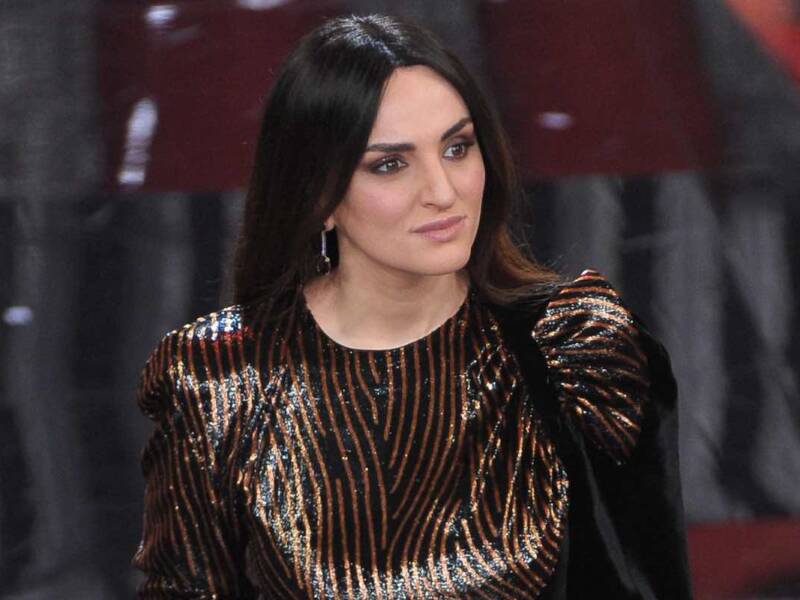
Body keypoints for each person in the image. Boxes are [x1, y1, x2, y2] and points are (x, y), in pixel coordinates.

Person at [131, 14, 692, 599]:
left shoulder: (574, 351)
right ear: (318, 194)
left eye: (457, 148)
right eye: (390, 164)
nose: (443, 192)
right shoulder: (219, 379)